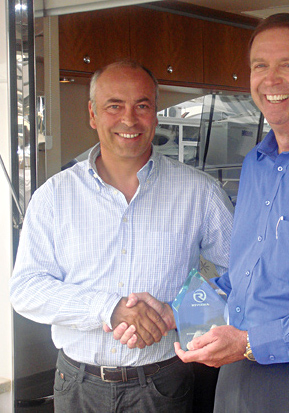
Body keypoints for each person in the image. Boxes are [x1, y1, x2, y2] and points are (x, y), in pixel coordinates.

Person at [114, 13, 289, 413]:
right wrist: (176, 312)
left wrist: (252, 343)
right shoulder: (256, 163)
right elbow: (245, 279)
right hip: (238, 379)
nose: (271, 79)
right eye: (260, 66)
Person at [10, 61, 233, 413]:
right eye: (114, 106)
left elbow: (239, 275)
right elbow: (26, 289)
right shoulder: (53, 196)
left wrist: (177, 313)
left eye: (142, 106)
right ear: (93, 114)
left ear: (155, 114)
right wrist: (109, 309)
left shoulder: (200, 192)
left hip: (163, 383)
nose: (129, 120)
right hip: (77, 384)